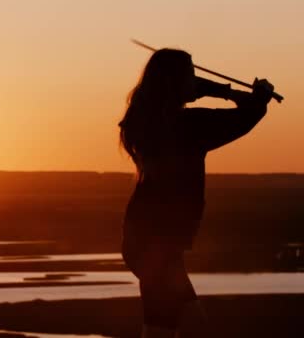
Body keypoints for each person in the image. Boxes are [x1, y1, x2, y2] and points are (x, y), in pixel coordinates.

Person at [118, 48, 275, 338]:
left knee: (163, 325)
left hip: (143, 241)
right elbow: (245, 118)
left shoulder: (144, 121)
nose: (196, 80)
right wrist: (254, 96)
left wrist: (217, 89)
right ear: (176, 82)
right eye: (191, 73)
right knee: (186, 325)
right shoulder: (187, 127)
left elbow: (191, 94)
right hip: (158, 246)